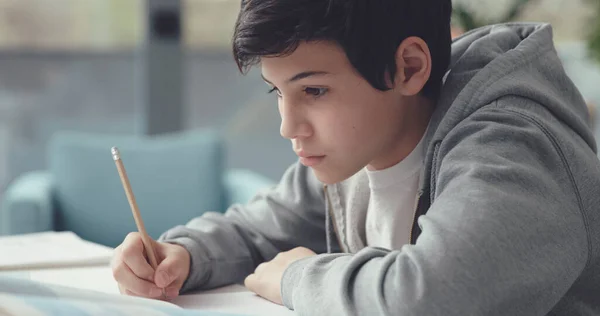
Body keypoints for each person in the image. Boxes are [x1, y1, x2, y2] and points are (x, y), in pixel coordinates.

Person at [111, 0, 600, 315]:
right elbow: (256, 231)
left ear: (408, 67)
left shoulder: (511, 145)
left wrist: (297, 279)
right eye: (277, 93)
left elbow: (433, 298)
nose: (288, 127)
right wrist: (183, 256)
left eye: (315, 90)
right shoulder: (357, 151)